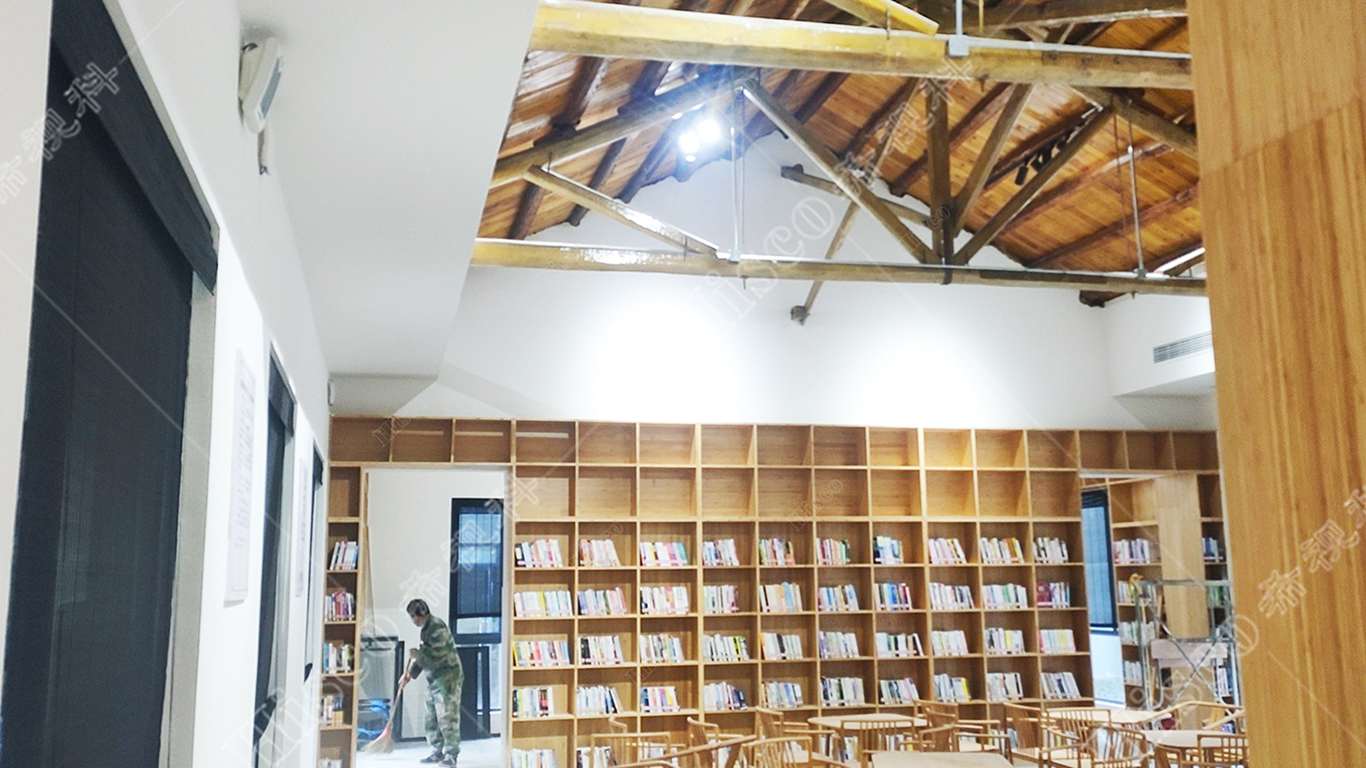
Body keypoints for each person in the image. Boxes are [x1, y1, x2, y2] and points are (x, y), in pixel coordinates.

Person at [399, 598, 464, 766]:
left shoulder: (437, 627)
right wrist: (410, 674)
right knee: (431, 716)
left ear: (418, 615)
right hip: (435, 678)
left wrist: (417, 654)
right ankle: (437, 750)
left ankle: (451, 756)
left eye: (412, 616)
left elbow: (436, 655)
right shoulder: (426, 629)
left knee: (447, 717)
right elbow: (425, 655)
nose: (413, 620)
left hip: (448, 678)